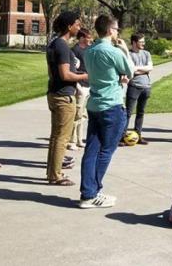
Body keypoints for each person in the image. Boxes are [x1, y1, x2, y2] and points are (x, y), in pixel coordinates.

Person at [79, 14, 133, 208]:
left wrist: (117, 77)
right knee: (106, 150)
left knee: (92, 149)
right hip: (112, 105)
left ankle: (87, 193)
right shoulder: (113, 51)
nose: (117, 32)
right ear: (111, 30)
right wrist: (125, 50)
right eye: (117, 29)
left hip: (94, 104)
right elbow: (130, 71)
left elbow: (106, 73)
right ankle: (93, 192)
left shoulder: (90, 50)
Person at [45, 11, 88, 186]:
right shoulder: (62, 46)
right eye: (77, 24)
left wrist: (77, 74)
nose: (79, 27)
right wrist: (85, 75)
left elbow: (54, 73)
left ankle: (52, 172)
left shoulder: (54, 43)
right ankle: (56, 175)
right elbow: (65, 74)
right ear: (69, 26)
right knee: (61, 138)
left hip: (55, 93)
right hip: (63, 96)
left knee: (56, 137)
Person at [124, 33, 153, 145]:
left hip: (146, 87)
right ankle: (122, 136)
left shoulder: (146, 53)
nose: (143, 44)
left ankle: (138, 135)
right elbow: (130, 70)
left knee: (141, 112)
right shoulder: (129, 55)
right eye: (141, 42)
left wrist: (137, 69)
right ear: (134, 43)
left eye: (143, 41)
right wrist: (143, 69)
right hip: (134, 86)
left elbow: (150, 67)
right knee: (128, 112)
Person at [69, 29, 93, 150]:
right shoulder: (74, 50)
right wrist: (77, 86)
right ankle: (71, 141)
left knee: (83, 115)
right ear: (82, 38)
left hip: (89, 85)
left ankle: (79, 139)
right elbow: (71, 70)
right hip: (80, 86)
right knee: (76, 114)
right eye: (89, 37)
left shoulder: (89, 50)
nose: (91, 39)